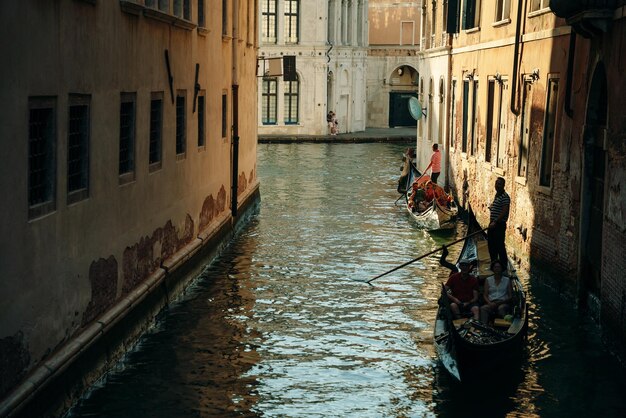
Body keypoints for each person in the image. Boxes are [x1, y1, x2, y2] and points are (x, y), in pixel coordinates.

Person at [488, 177, 510, 269]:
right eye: (496, 183)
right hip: (493, 224)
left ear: (503, 185)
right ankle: (494, 264)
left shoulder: (505, 196)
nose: (497, 185)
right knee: (491, 245)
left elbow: (505, 211)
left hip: (498, 225)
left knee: (500, 246)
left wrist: (495, 221)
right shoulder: (497, 195)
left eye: (499, 184)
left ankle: (504, 267)